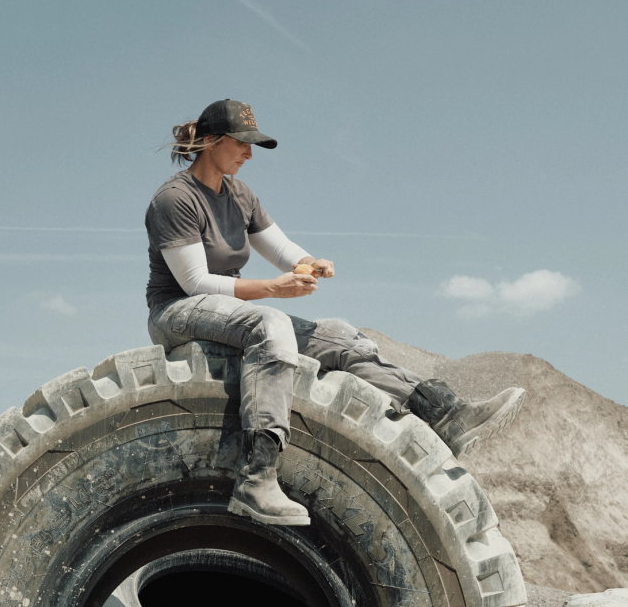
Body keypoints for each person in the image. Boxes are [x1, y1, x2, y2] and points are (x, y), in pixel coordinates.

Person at [145, 100, 525, 527]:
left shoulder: (239, 195)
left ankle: (443, 413)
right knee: (270, 324)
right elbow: (196, 283)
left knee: (340, 335)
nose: (250, 153)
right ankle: (257, 478)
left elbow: (280, 249)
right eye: (242, 143)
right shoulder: (175, 199)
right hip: (176, 311)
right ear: (211, 141)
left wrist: (308, 262)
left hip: (228, 309)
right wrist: (274, 289)